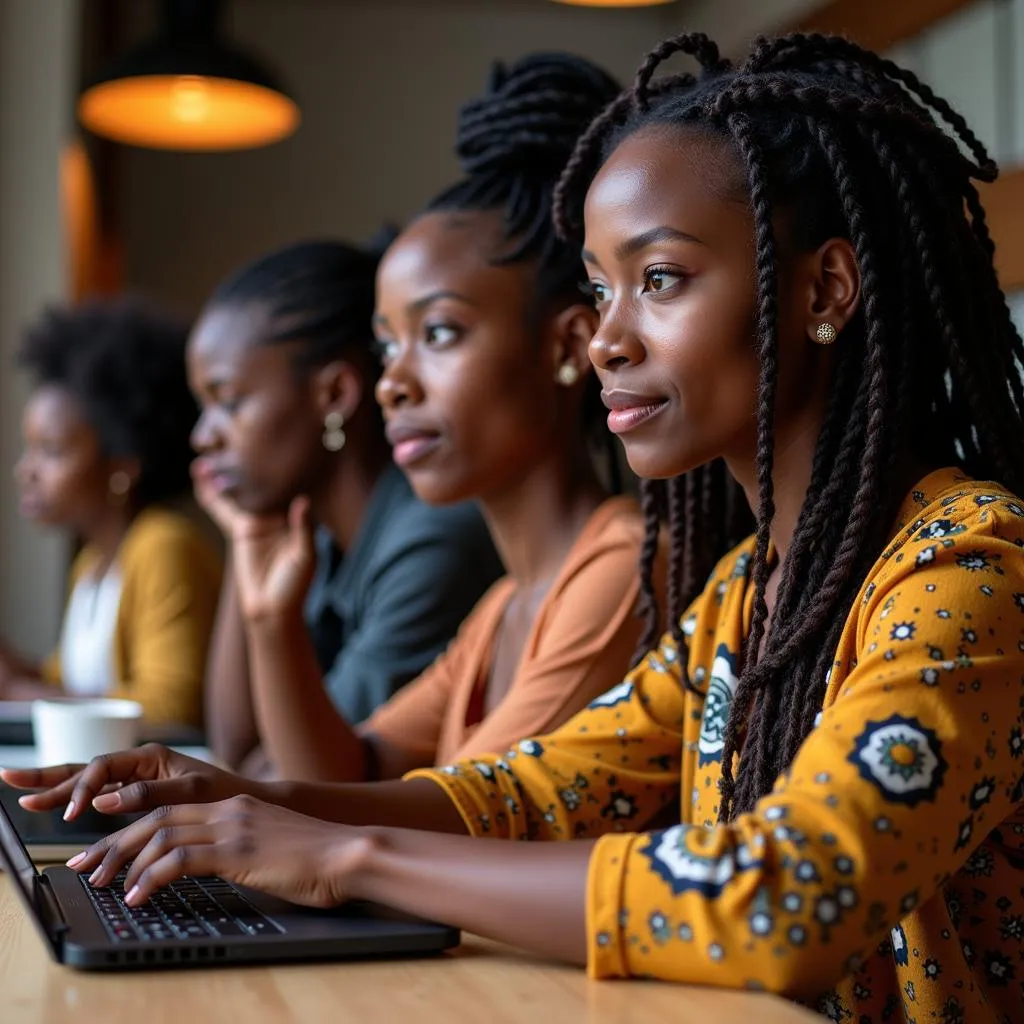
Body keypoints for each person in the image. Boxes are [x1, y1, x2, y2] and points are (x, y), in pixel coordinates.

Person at [12, 31, 1024, 1024]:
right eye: (598, 287)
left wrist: (341, 855)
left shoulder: (970, 564)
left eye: (659, 278)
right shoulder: (744, 594)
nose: (608, 339)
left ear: (823, 290)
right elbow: (529, 793)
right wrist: (239, 800)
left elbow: (787, 896)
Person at [195, 53, 658, 783]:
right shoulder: (504, 605)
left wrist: (228, 800)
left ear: (569, 346)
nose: (393, 385)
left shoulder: (619, 569)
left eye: (439, 333)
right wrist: (269, 616)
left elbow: (452, 817)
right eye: (387, 346)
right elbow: (343, 775)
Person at [187, 237, 504, 777]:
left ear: (335, 394)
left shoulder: (433, 541)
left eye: (229, 402)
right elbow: (236, 747)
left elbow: (299, 781)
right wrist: (248, 538)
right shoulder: (322, 542)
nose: (202, 437)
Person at [0, 299, 221, 727]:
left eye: (51, 450)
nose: (25, 470)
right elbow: (67, 683)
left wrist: (22, 694)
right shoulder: (92, 563)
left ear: (122, 467)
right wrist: (17, 670)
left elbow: (171, 709)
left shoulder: (163, 545)